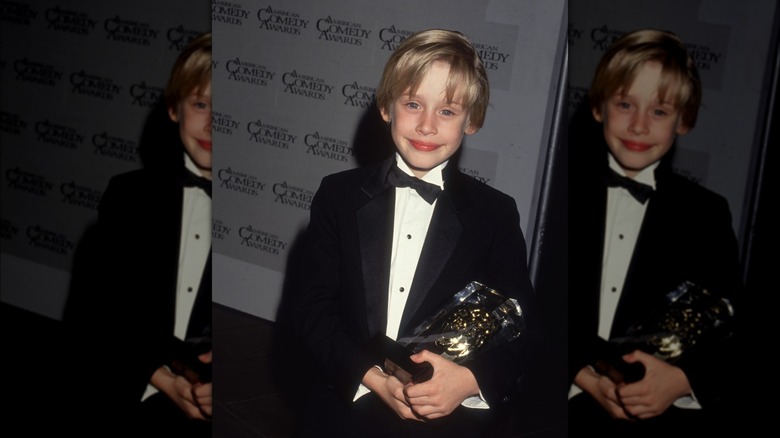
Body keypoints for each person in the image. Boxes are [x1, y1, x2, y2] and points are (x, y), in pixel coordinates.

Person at [289, 29, 540, 437]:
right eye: (412, 104)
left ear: (472, 120)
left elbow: (523, 328)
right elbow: (310, 308)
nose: (426, 125)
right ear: (386, 108)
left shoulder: (494, 213)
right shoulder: (339, 195)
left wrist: (468, 382)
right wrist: (371, 377)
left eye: (447, 111)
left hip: (444, 420)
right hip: (347, 408)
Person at [567, 29, 740, 436]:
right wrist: (582, 375)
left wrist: (682, 380)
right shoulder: (561, 195)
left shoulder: (707, 215)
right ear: (598, 107)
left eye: (659, 111)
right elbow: (535, 307)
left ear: (685, 120)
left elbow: (730, 330)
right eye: (625, 104)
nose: (639, 126)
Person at [65, 32, 213, 435]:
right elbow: (95, 313)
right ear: (174, 108)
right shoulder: (128, 196)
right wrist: (162, 379)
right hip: (134, 393)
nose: (213, 124)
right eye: (201, 104)